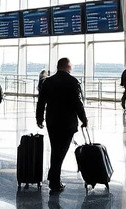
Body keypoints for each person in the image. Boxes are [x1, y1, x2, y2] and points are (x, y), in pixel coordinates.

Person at [35, 57, 87, 193]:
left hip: (52, 121)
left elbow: (41, 102)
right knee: (60, 152)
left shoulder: (48, 81)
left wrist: (39, 117)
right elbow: (78, 104)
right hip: (67, 122)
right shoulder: (73, 82)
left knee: (55, 149)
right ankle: (54, 181)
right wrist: (84, 119)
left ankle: (53, 177)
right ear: (67, 67)